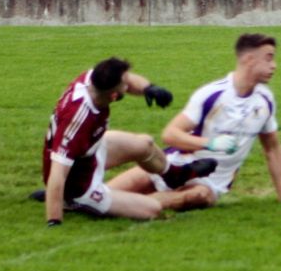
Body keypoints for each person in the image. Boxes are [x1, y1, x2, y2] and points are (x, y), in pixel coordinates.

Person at [107, 33, 281, 210]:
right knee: (107, 191)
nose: (274, 65)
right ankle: (100, 202)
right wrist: (210, 143)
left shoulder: (265, 100)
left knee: (199, 196)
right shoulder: (212, 94)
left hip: (211, 182)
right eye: (269, 58)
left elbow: (273, 149)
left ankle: (122, 207)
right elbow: (171, 134)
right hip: (177, 163)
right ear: (249, 59)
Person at [40, 57, 217, 226]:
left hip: (89, 152)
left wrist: (149, 88)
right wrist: (54, 220)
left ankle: (175, 175)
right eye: (125, 84)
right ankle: (70, 201)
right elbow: (58, 172)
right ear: (113, 94)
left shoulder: (92, 79)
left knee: (144, 144)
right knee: (152, 210)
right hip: (79, 183)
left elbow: (128, 80)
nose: (130, 85)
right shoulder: (78, 118)